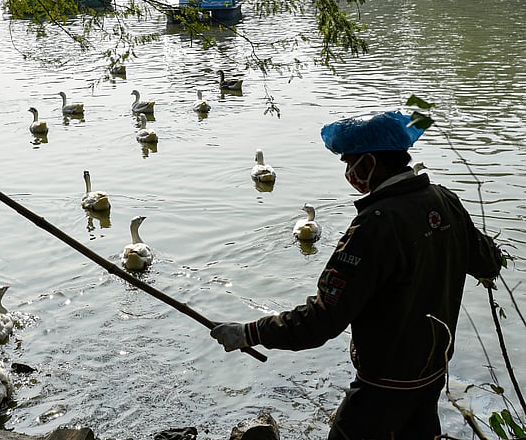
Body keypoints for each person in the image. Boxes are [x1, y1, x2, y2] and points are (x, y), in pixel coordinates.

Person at [210, 111, 503, 439]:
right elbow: (489, 262)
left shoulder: (374, 225)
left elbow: (323, 320)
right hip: (432, 377)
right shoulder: (445, 200)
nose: (349, 173)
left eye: (350, 163)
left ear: (369, 163)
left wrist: (250, 332)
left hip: (381, 391)